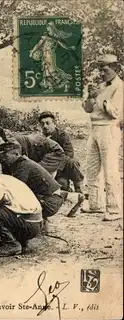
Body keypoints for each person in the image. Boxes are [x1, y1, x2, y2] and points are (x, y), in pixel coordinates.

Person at [81, 54, 123, 221]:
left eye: (104, 70)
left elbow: (116, 113)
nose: (101, 73)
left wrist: (103, 99)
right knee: (91, 168)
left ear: (115, 68)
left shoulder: (120, 86)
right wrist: (91, 96)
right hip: (95, 128)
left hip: (109, 129)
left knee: (110, 169)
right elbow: (88, 109)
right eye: (100, 70)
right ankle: (95, 204)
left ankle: (114, 209)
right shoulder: (100, 86)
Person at [0, 142, 67, 228]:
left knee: (11, 208)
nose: (4, 158)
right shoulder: (19, 164)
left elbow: (14, 191)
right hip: (50, 198)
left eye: (6, 156)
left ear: (16, 154)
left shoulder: (23, 166)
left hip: (50, 203)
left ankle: (36, 224)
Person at [38, 111, 85, 193]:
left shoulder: (62, 135)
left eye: (47, 123)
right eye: (42, 124)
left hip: (60, 169)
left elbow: (69, 154)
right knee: (61, 186)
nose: (45, 126)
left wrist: (57, 169)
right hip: (47, 171)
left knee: (72, 162)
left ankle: (79, 190)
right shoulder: (39, 138)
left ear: (54, 124)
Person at [0, 133, 65, 176]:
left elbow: (23, 167)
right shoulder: (7, 148)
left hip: (53, 152)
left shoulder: (16, 144)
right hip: (41, 155)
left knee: (35, 176)